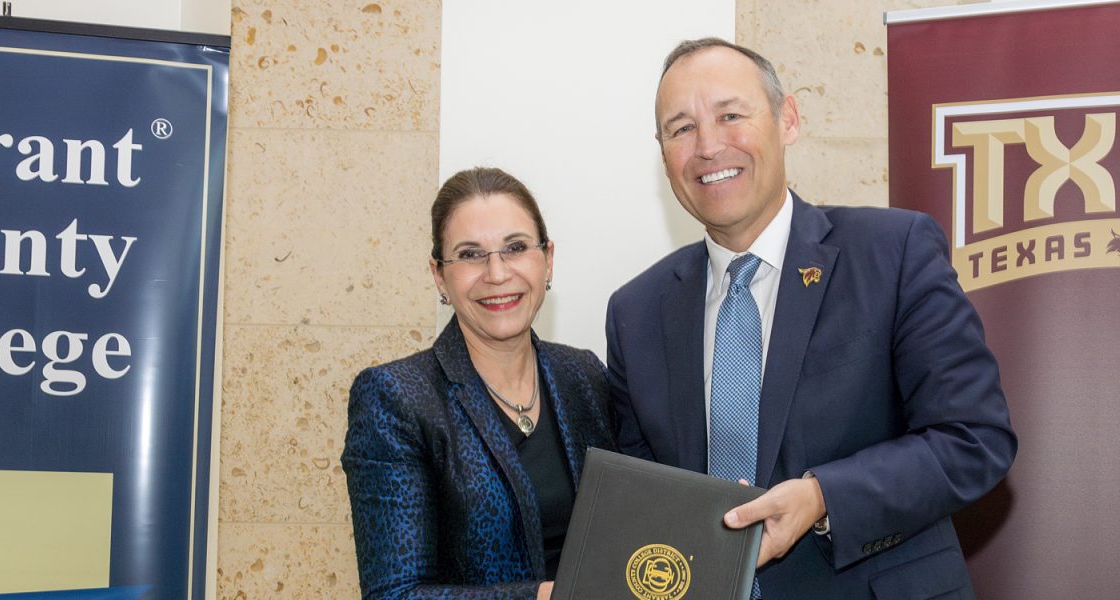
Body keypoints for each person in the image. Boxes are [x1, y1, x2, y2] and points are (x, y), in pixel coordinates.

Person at [604, 38, 1017, 598]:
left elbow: (974, 438)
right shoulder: (637, 312)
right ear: (663, 155)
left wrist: (824, 497)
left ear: (787, 119)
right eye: (681, 129)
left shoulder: (893, 252)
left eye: (730, 115)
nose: (707, 146)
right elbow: (648, 501)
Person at [343, 167, 614, 599]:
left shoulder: (583, 376)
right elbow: (394, 594)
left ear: (547, 260)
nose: (497, 273)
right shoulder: (396, 398)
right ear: (439, 276)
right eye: (470, 254)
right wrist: (549, 596)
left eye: (516, 247)